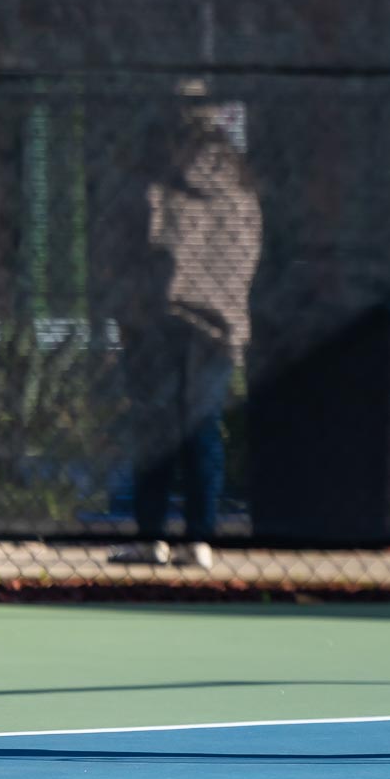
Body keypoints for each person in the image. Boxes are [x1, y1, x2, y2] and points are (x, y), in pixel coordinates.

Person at [109, 80, 261, 570]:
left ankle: (153, 536)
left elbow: (137, 243)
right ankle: (198, 539)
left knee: (156, 424)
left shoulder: (152, 172)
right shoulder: (236, 178)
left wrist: (131, 304)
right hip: (214, 318)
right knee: (201, 424)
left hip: (158, 314)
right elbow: (245, 249)